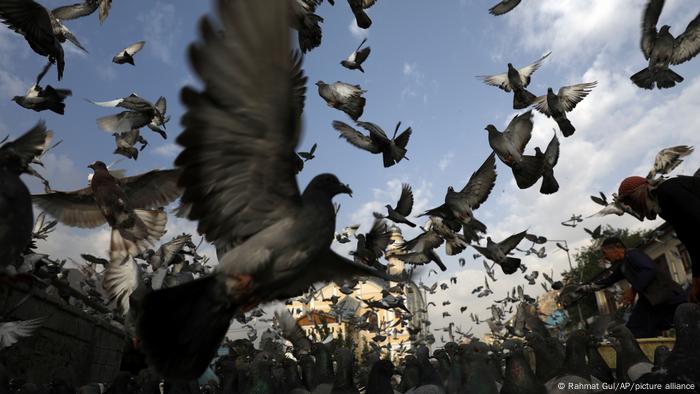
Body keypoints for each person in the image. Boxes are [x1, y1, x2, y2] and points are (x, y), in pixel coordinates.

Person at [576, 237, 686, 338]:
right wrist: (586, 288)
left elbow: (648, 270)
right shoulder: (622, 265)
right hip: (652, 302)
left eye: (605, 252)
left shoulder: (633, 254)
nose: (605, 257)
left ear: (617, 247)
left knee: (684, 324)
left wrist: (633, 290)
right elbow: (608, 281)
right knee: (635, 330)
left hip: (668, 297)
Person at [616, 175, 700, 302]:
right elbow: (690, 239)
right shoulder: (662, 207)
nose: (632, 208)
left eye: (630, 201)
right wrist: (696, 279)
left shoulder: (668, 190)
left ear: (640, 191)